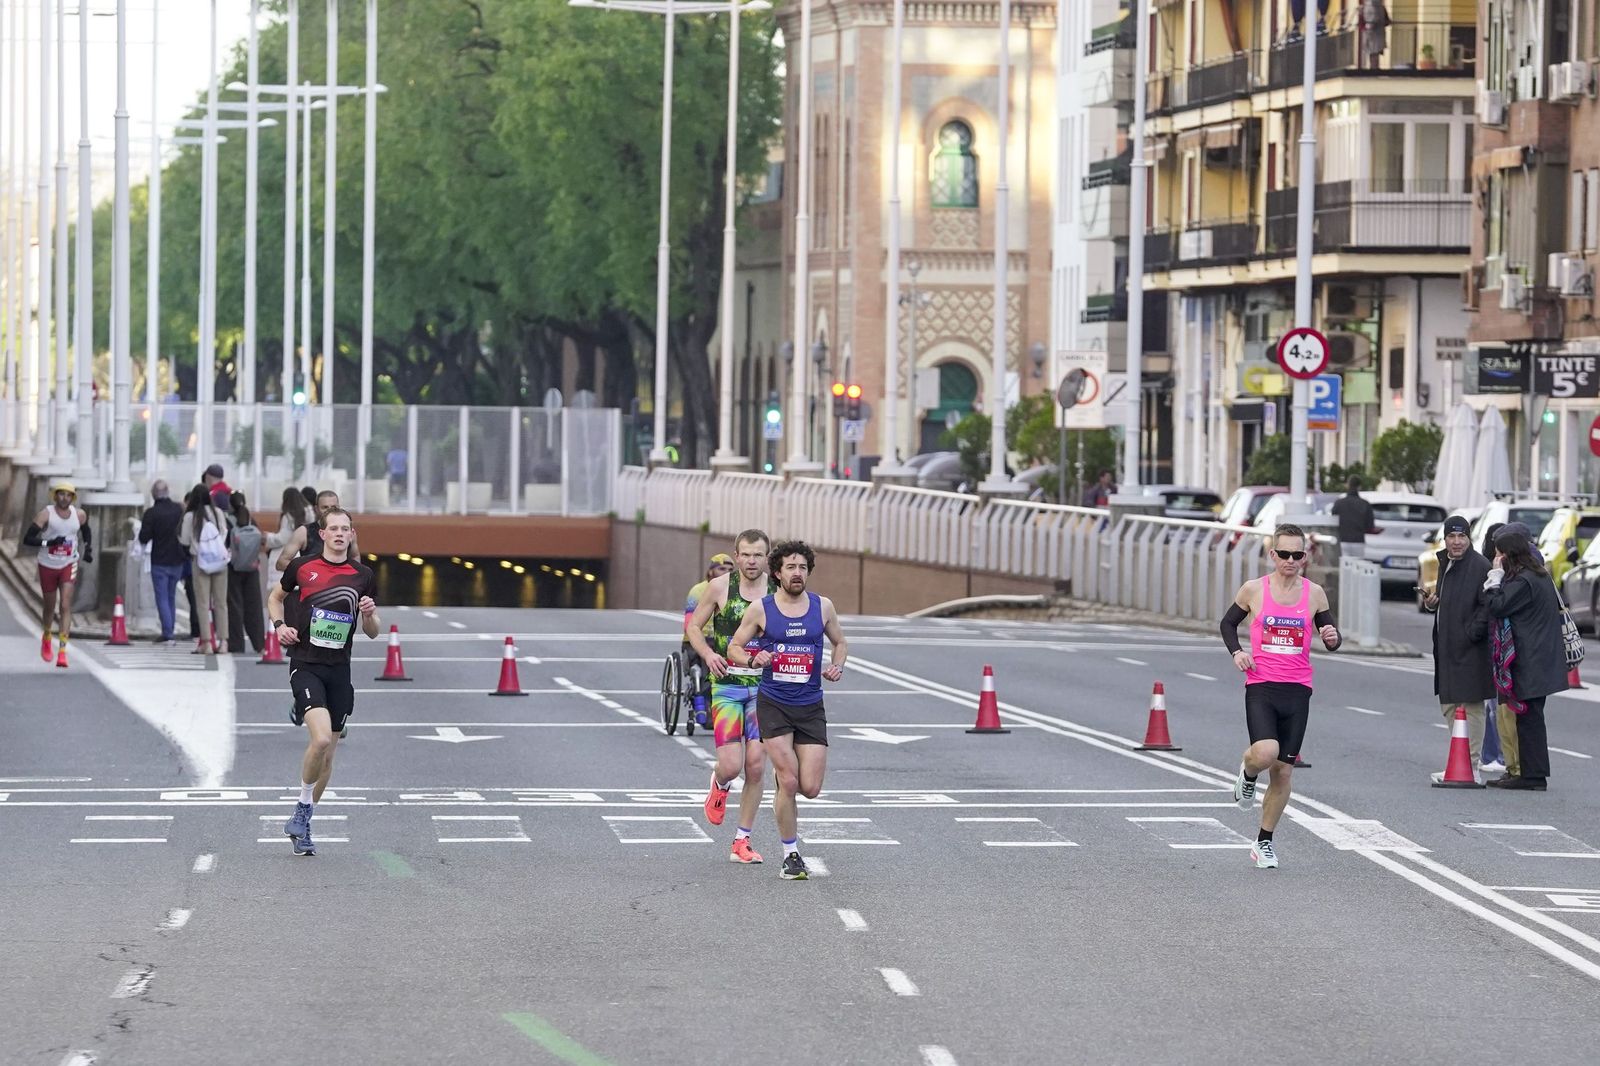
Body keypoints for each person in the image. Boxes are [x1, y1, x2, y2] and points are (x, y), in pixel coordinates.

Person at [1220, 524, 1343, 869]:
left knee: (1284, 773)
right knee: (1266, 752)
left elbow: (1330, 636)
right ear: (1273, 555)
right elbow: (1227, 624)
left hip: (1298, 688)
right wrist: (1237, 653)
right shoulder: (1254, 590)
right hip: (1262, 685)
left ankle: (1264, 842)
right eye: (1284, 554)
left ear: (1306, 557)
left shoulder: (1315, 593)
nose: (1291, 560)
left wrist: (1332, 638)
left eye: (1297, 555)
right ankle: (1247, 771)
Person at [728, 540, 849, 881]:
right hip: (774, 704)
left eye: (803, 568)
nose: (798, 573)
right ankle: (790, 854)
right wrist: (754, 658)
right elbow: (734, 647)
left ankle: (785, 790)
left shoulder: (822, 607)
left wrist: (837, 666)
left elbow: (840, 641)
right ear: (777, 573)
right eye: (791, 568)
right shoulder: (761, 609)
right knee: (791, 778)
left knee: (809, 787)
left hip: (810, 705)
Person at [268, 507, 380, 855]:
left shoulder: (363, 575)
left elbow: (373, 634)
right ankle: (302, 808)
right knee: (318, 741)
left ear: (351, 534)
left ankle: (303, 823)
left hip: (339, 671)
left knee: (328, 758)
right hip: (306, 665)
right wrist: (279, 626)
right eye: (333, 528)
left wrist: (370, 614)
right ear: (322, 534)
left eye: (345, 529)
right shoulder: (303, 568)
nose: (339, 534)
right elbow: (275, 598)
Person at [684, 530, 776, 864]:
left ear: (768, 557)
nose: (752, 561)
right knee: (732, 764)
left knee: (755, 766)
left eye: (759, 555)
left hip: (765, 689)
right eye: (746, 555)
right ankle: (720, 782)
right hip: (727, 685)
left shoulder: (777, 590)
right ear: (736, 556)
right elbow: (694, 626)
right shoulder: (721, 587)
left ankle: (742, 841)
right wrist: (708, 656)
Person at [1483, 528, 1563, 791]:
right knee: (1531, 718)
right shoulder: (1537, 575)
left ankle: (1532, 776)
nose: (1497, 558)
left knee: (1528, 718)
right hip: (1539, 656)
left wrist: (1494, 578)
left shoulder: (1524, 581)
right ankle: (1531, 773)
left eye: (1500, 553)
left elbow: (1497, 605)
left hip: (1530, 657)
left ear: (1510, 554)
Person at [1422, 514, 1493, 784]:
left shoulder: (1480, 566)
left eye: (1461, 536)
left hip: (1471, 648)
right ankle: (1458, 761)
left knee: (1472, 705)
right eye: (1451, 537)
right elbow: (1447, 600)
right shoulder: (1446, 563)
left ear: (1469, 538)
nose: (1456, 542)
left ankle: (1472, 764)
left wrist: (1471, 633)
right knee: (1450, 705)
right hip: (1447, 646)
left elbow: (1487, 606)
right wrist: (1432, 603)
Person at [22, 480, 92, 667]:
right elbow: (28, 539)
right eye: (61, 494)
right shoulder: (46, 514)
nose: (65, 498)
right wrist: (49, 543)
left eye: (68, 495)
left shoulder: (79, 515)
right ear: (55, 496)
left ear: (73, 498)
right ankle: (46, 635)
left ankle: (62, 650)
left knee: (66, 605)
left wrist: (89, 549)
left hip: (69, 563)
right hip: (47, 564)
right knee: (49, 607)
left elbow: (86, 531)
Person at [1480, 522, 1519, 778]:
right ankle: (1496, 755)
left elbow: (1497, 605)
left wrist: (1495, 579)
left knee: (1498, 706)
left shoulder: (1511, 574)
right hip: (1496, 645)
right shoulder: (1488, 567)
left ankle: (1506, 757)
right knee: (1493, 705)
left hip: (1503, 646)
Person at [178, 483, 233, 655]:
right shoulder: (218, 513)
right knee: (221, 603)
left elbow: (185, 541)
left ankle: (207, 643)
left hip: (200, 562)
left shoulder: (190, 516)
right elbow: (224, 533)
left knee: (202, 604)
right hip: (219, 562)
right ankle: (223, 642)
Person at [681, 552, 735, 726]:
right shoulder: (698, 591)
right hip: (699, 639)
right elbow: (689, 622)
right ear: (711, 571)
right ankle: (706, 704)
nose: (726, 572)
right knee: (710, 660)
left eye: (730, 569)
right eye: (721, 568)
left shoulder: (736, 591)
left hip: (726, 639)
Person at [138, 480, 186, 646]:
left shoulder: (151, 513)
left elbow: (144, 537)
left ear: (153, 494)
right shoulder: (179, 510)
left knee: (162, 597)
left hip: (159, 560)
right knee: (171, 596)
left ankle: (167, 632)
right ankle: (170, 628)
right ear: (168, 491)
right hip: (178, 559)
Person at [275, 489, 360, 571]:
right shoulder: (303, 532)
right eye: (325, 507)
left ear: (339, 507)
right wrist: (307, 572)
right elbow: (281, 563)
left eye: (333, 507)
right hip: (312, 583)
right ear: (316, 509)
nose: (329, 510)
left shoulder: (349, 532)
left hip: (342, 583)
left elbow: (355, 556)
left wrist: (354, 576)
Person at [226, 492, 266, 655]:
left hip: (233, 568)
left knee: (234, 606)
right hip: (252, 568)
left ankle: (236, 644)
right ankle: (259, 644)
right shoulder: (251, 520)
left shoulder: (228, 521)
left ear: (230, 505)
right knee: (254, 606)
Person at [265, 486, 314, 577]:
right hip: (306, 552)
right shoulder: (310, 513)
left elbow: (283, 538)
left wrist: (267, 537)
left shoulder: (288, 516)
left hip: (289, 554)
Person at [1330, 476, 1379, 560]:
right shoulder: (1365, 504)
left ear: (1347, 485)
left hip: (1343, 540)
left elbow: (1333, 519)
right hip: (1358, 541)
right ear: (1359, 487)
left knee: (1344, 567)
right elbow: (1370, 526)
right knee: (1357, 567)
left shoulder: (1339, 503)